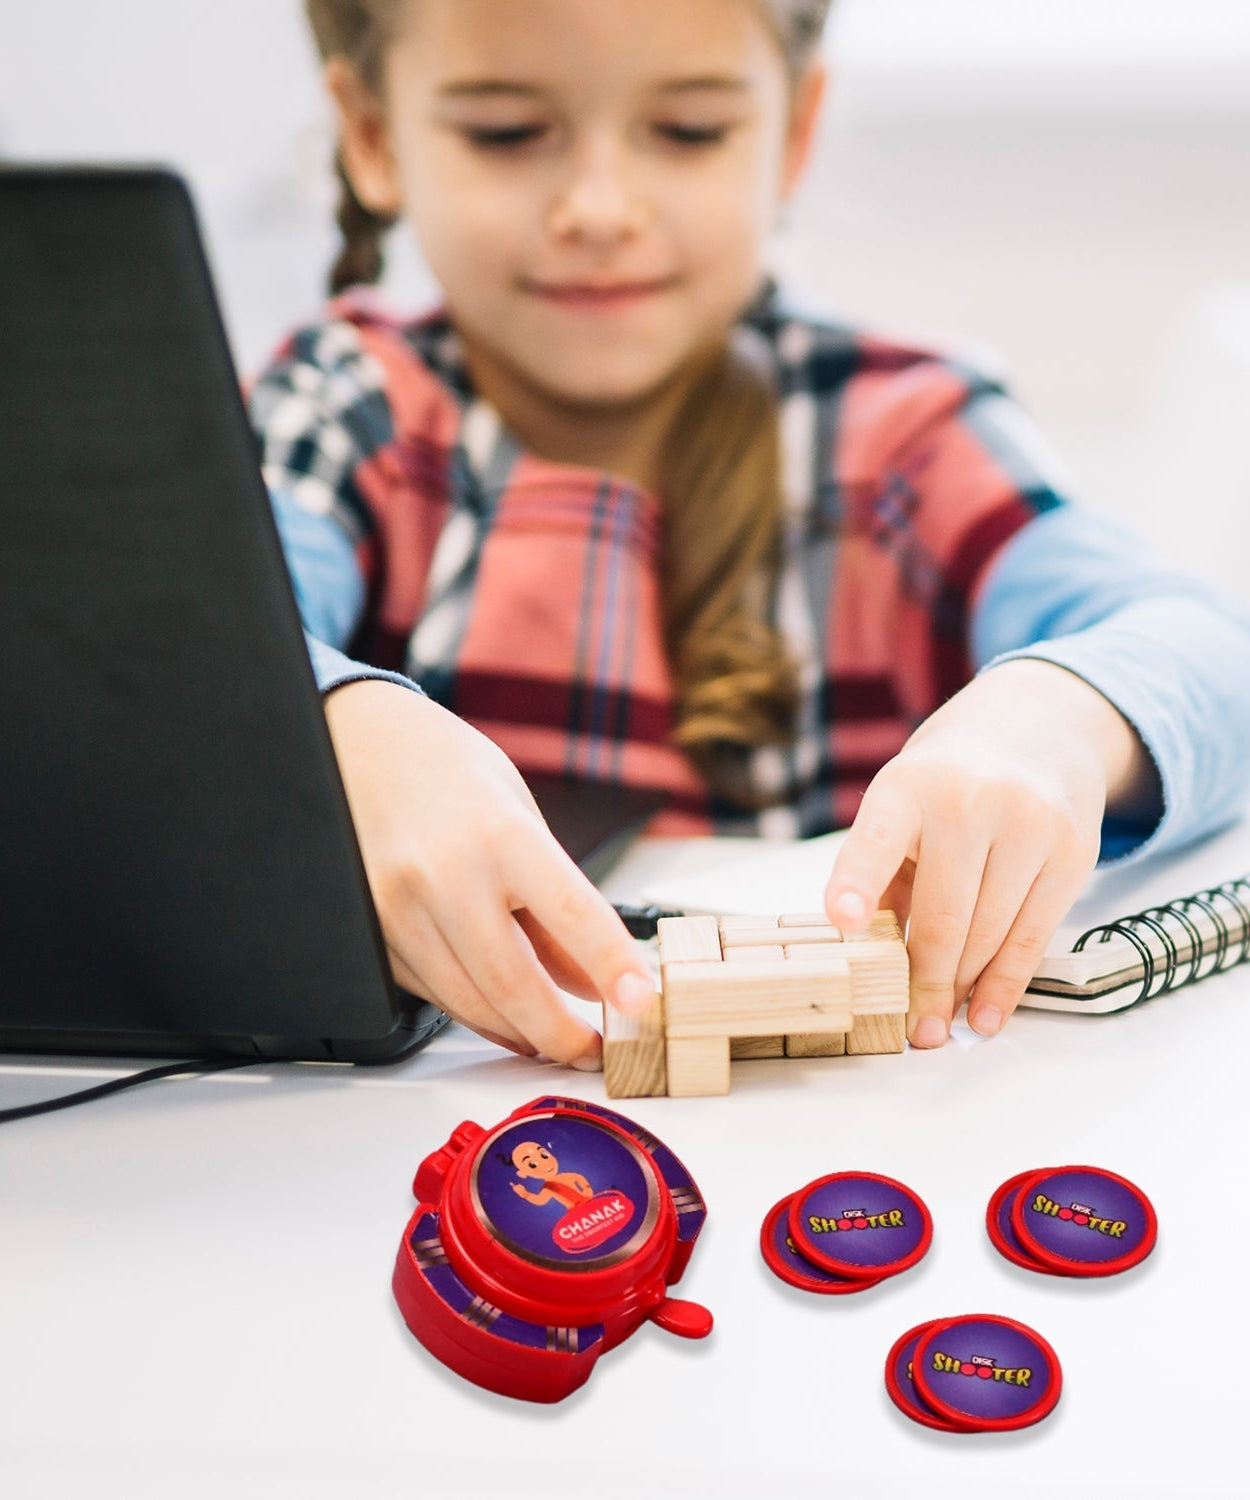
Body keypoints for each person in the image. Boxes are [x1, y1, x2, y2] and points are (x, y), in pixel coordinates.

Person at [249, 0, 1250, 1066]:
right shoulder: (345, 404)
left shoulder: (907, 433)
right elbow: (172, 653)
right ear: (370, 135)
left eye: (687, 131)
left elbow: (1202, 646)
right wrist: (339, 720)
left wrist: (1058, 719)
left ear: (794, 130)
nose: (600, 208)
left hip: (854, 1142)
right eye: (504, 133)